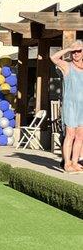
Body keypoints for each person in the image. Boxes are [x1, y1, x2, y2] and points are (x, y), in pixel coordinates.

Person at [50, 40, 83, 174]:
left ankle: (75, 163)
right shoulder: (67, 66)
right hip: (70, 106)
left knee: (80, 136)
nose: (76, 54)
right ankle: (67, 163)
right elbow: (53, 57)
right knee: (70, 134)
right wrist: (69, 48)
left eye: (79, 51)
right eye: (74, 51)